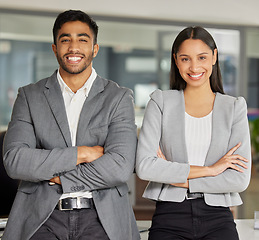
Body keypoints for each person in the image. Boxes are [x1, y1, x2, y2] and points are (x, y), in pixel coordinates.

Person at [2, 10, 140, 240]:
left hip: (102, 217)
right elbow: (15, 161)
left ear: (94, 49)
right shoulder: (30, 96)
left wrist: (63, 179)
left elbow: (120, 166)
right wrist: (83, 153)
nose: (73, 47)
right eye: (65, 40)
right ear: (55, 48)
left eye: (82, 40)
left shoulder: (118, 97)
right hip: (41, 217)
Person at [136, 26, 251, 240]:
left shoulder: (234, 107)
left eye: (202, 57)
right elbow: (144, 167)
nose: (194, 66)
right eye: (185, 58)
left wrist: (177, 178)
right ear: (176, 60)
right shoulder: (160, 103)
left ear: (214, 57)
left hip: (218, 217)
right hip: (169, 215)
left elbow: (239, 179)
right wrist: (211, 170)